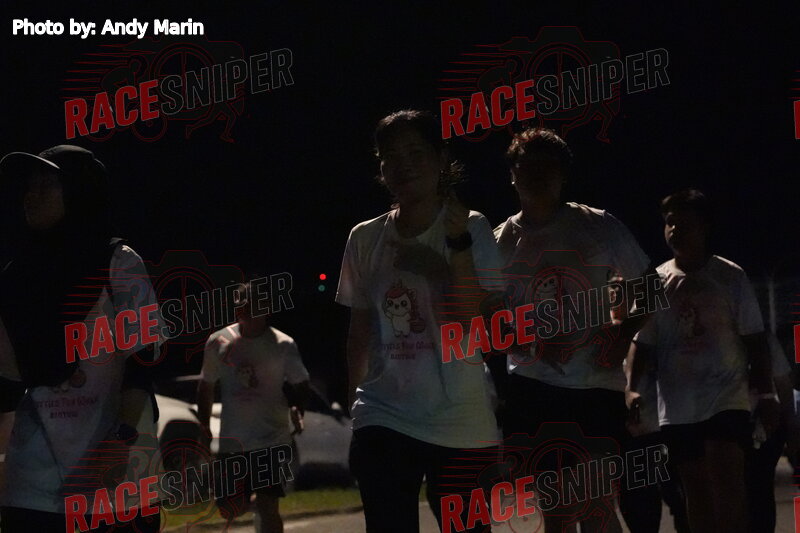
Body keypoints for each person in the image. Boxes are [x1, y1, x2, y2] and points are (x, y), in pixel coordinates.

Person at [336, 109, 501, 533]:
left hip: (460, 417)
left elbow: (475, 324)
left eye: (415, 152)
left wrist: (443, 262)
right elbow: (359, 333)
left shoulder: (473, 228)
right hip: (383, 413)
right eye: (390, 156)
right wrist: (355, 412)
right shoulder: (364, 237)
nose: (403, 164)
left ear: (441, 158)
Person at [494, 128, 652, 533]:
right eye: (526, 167)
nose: (536, 176)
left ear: (563, 175)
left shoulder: (599, 225)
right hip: (534, 388)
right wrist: (525, 342)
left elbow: (651, 288)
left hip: (596, 384)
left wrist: (622, 334)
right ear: (512, 174)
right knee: (558, 511)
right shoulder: (499, 241)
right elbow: (485, 321)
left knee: (596, 503)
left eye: (547, 168)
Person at [0, 145, 161, 532]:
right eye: (29, 186)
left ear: (79, 190)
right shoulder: (15, 277)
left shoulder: (119, 263)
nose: (31, 195)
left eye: (47, 184)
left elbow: (144, 364)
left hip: (116, 480)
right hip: (32, 486)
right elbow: (6, 386)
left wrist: (121, 441)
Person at [627, 189, 779, 533]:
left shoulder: (730, 276)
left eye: (684, 223)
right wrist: (631, 389)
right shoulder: (655, 282)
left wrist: (767, 395)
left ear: (705, 227)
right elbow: (642, 342)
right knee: (694, 492)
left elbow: (756, 341)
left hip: (725, 399)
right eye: (669, 223)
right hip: (678, 406)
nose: (675, 230)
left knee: (728, 483)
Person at [197, 281, 310, 533]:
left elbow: (301, 383)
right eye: (241, 305)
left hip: (271, 439)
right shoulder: (219, 342)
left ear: (266, 308)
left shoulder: (282, 344)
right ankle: (257, 504)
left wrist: (297, 409)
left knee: (270, 505)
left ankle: (264, 504)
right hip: (233, 441)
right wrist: (203, 426)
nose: (245, 310)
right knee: (229, 508)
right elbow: (206, 385)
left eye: (252, 305)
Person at [744, 332, 799, 533]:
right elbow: (784, 385)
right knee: (760, 491)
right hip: (759, 423)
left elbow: (783, 385)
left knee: (756, 490)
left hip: (758, 423)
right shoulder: (762, 339)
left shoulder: (762, 340)